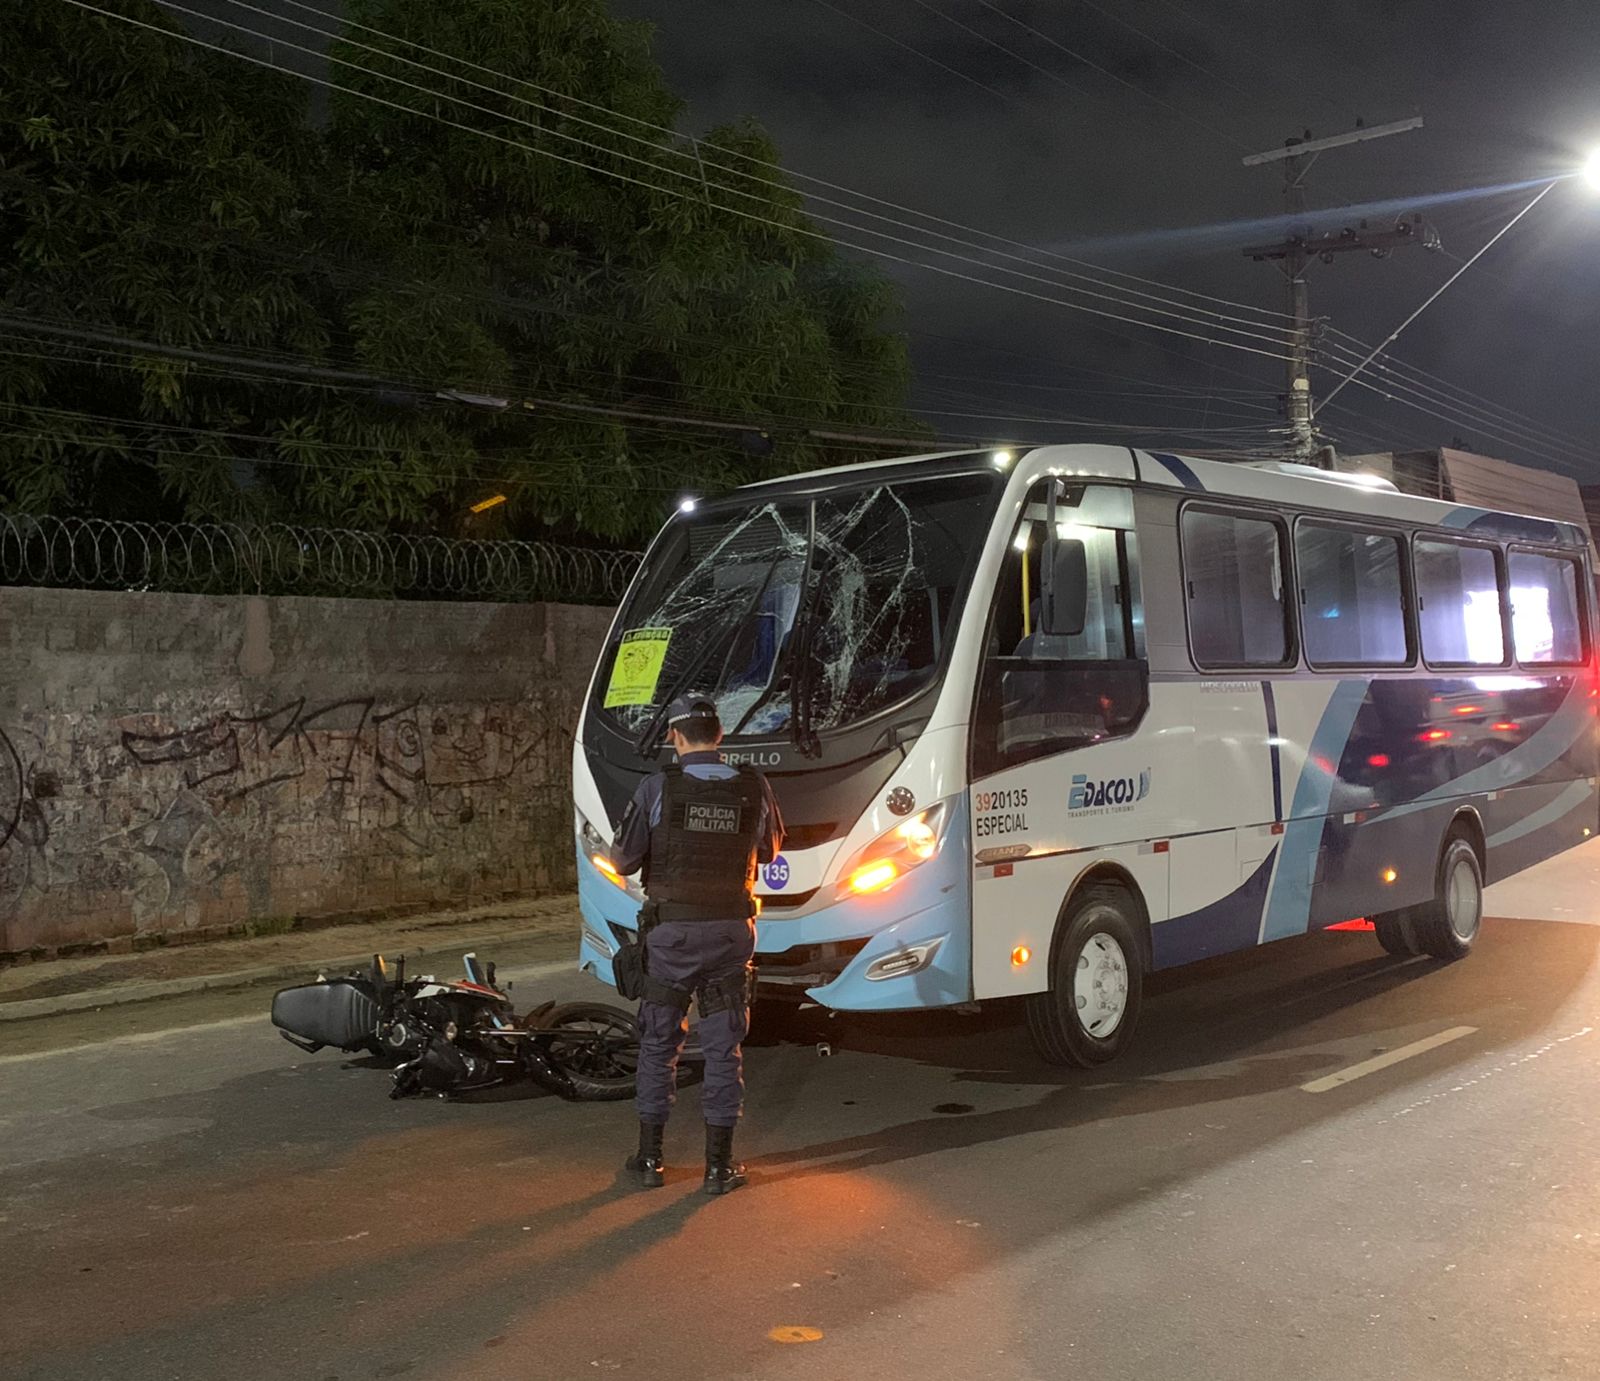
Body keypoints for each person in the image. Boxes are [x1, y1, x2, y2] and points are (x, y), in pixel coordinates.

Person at [607, 695, 784, 1194]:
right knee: (725, 1047)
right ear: (720, 736)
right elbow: (770, 851)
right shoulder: (754, 785)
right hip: (731, 933)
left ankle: (649, 1162)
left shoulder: (658, 786)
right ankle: (718, 1169)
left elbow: (623, 860)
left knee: (659, 1041)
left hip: (673, 937)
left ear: (674, 737)